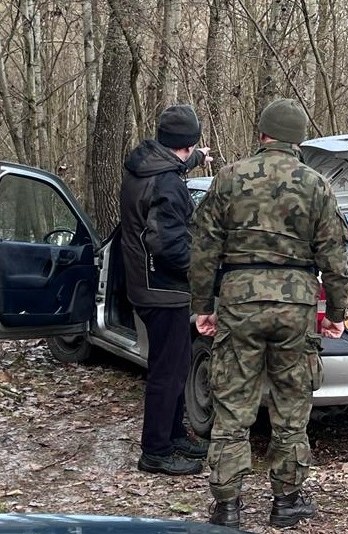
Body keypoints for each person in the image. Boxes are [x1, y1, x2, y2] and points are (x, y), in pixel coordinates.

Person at [189, 98, 348, 529]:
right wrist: (335, 312)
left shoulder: (227, 179)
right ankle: (287, 501)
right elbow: (334, 258)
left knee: (232, 403)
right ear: (299, 140)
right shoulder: (317, 185)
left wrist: (203, 307)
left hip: (239, 300)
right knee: (292, 402)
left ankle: (227, 506)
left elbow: (203, 251)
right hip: (296, 303)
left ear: (262, 134)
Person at [120, 104, 213, 475]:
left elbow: (171, 168)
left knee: (174, 365)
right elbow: (169, 245)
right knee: (167, 371)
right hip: (163, 287)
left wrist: (195, 161)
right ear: (187, 144)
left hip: (145, 282)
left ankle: (173, 435)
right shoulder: (168, 183)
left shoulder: (144, 166)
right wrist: (205, 272)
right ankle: (155, 451)